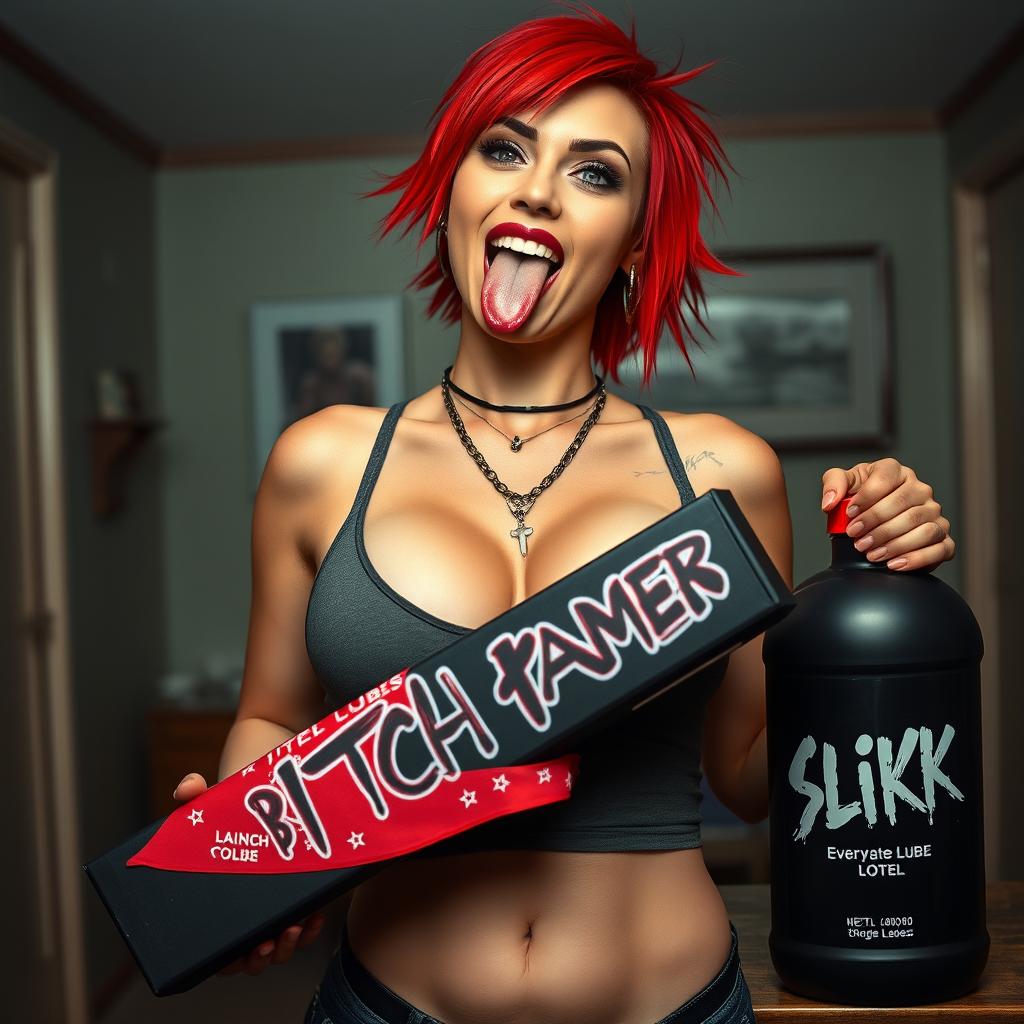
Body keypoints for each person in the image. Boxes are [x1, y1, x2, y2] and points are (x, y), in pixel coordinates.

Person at [173, 7, 956, 1023]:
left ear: (633, 240)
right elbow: (270, 716)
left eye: (595, 172)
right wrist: (250, 852)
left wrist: (871, 589)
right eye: (504, 148)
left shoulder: (724, 472)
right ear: (454, 189)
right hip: (386, 1001)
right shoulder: (321, 461)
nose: (537, 188)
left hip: (671, 1004)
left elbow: (753, 777)